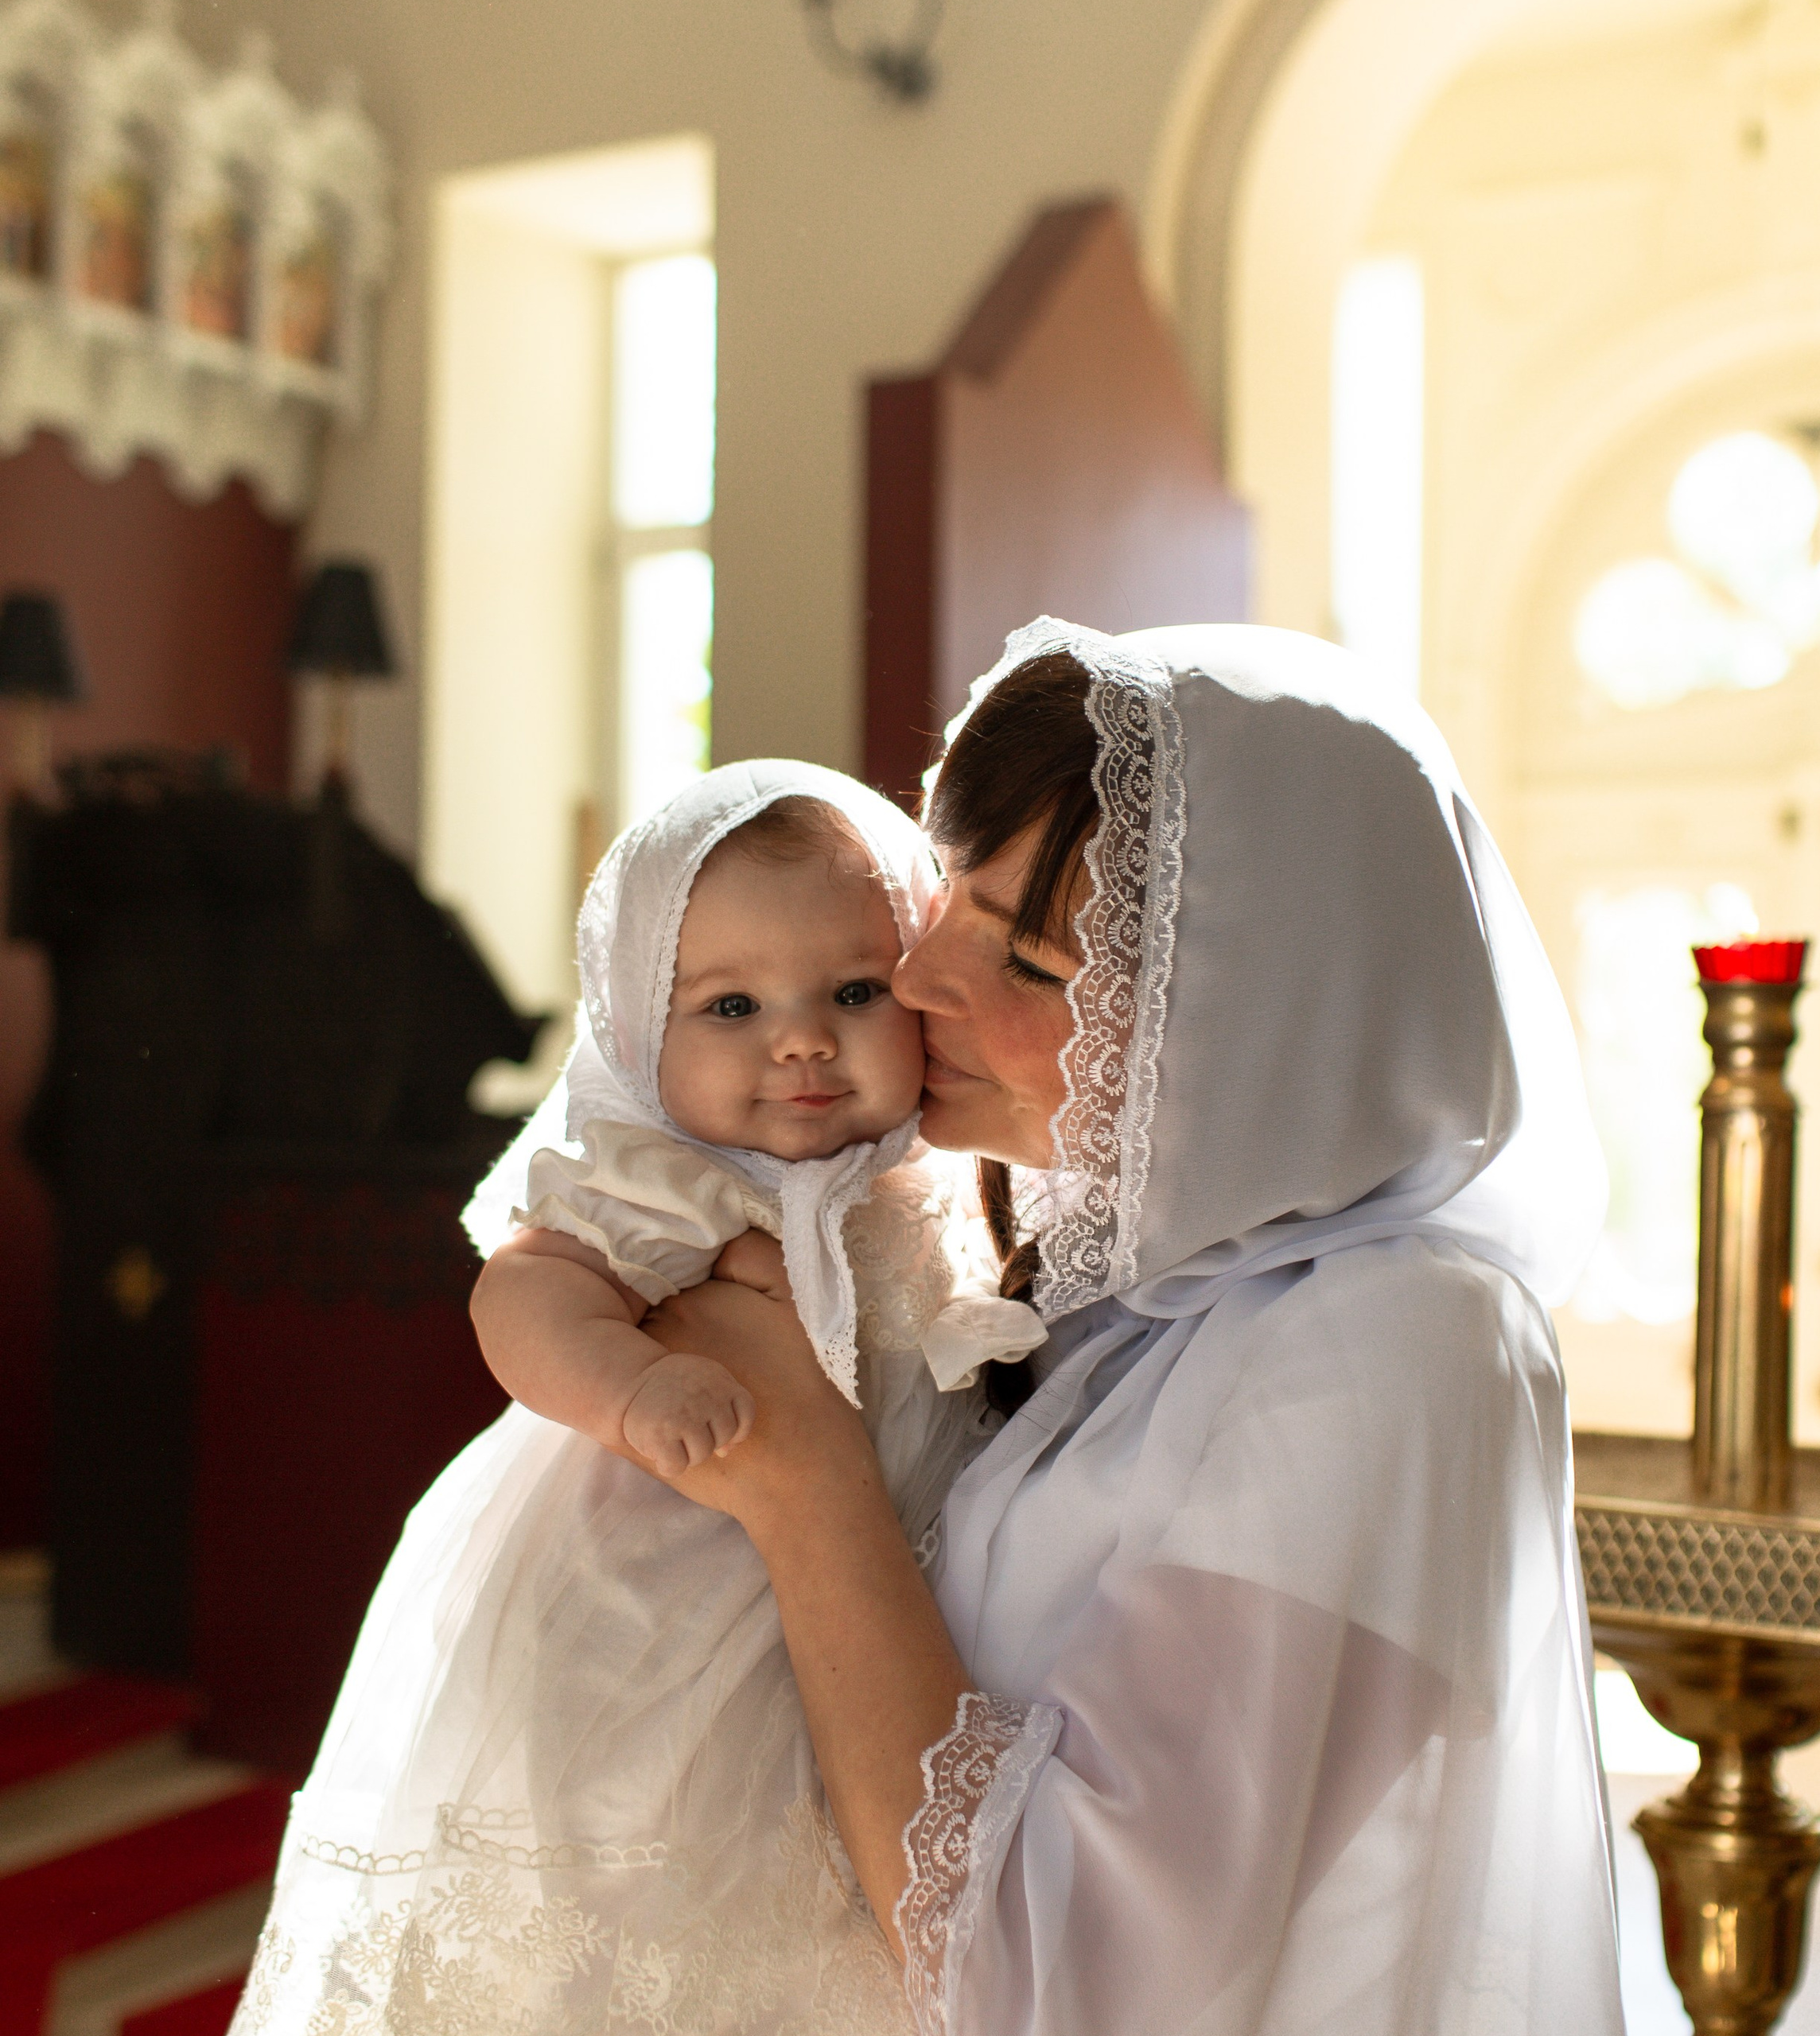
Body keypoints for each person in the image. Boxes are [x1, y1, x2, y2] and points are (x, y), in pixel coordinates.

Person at [640, 620, 1627, 2035]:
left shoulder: (1398, 1348)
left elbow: (1062, 1979)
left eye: (1033, 964)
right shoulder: (1152, 1292)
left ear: (1253, 1024)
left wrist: (804, 1481)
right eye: (952, 907)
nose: (921, 985)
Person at [231, 760, 1043, 2036]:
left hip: (874, 1605)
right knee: (634, 1852)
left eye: (854, 990)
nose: (801, 1040)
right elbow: (523, 1292)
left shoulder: (943, 1178)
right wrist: (631, 1382)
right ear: (631, 1028)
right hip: (654, 1584)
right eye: (730, 1004)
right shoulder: (660, 1178)